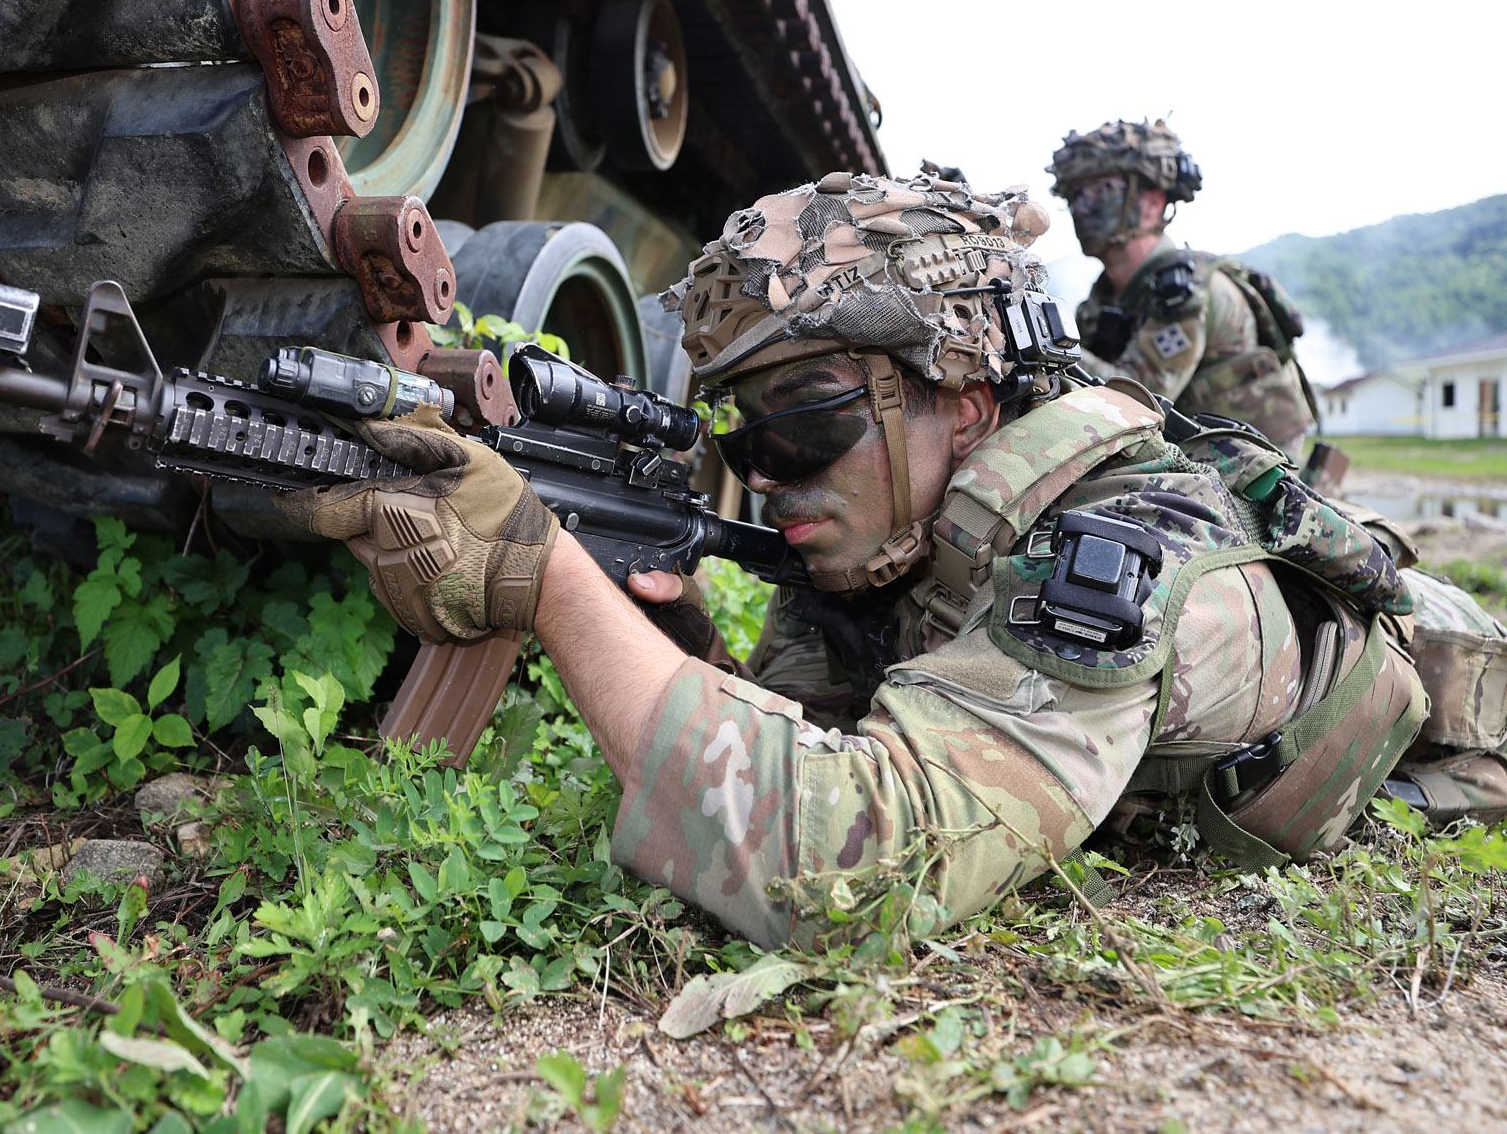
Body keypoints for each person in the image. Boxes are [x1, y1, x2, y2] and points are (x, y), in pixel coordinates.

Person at [282, 171, 1500, 950]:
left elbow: (839, 870)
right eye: (738, 433)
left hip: (1463, 741)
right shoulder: (903, 542)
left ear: (962, 397)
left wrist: (550, 587)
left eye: (803, 422)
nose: (765, 470)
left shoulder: (1111, 554)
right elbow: (816, 735)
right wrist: (682, 643)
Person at [1053, 120, 1319, 458]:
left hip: (1248, 474)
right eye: (1073, 196)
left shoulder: (1185, 291)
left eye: (1098, 191)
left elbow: (1138, 401)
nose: (1081, 208)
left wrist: (1051, 345)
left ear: (1151, 203)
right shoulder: (1106, 297)